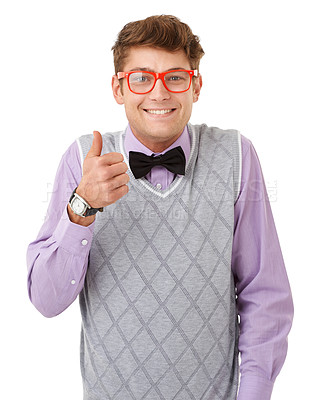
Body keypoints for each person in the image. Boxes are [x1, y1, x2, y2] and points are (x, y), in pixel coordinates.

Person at [27, 14, 294, 400]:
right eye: (141, 77)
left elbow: (265, 295)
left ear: (196, 86)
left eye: (175, 77)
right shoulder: (83, 159)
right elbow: (46, 300)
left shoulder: (236, 155)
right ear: (119, 88)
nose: (159, 93)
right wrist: (82, 207)